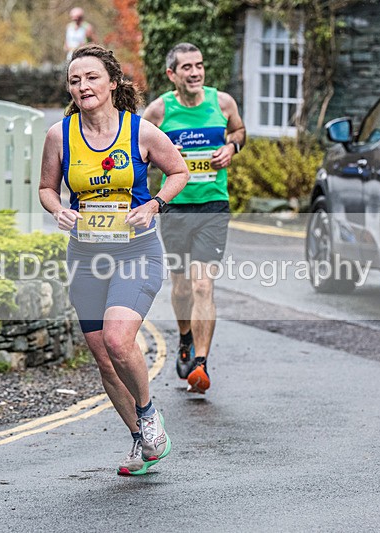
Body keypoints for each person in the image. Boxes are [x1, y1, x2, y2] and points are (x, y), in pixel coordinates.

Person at [39, 44, 189, 476]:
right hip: (86, 256)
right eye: (74, 80)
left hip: (136, 252)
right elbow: (47, 188)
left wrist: (155, 204)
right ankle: (140, 442)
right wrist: (57, 209)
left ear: (112, 83)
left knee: (119, 341)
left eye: (91, 77)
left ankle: (148, 414)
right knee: (103, 355)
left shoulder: (140, 132)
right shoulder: (59, 135)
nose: (82, 86)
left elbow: (178, 171)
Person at [143, 42, 246, 394]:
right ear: (172, 74)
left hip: (213, 205)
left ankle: (200, 364)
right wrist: (166, 158)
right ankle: (185, 336)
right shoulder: (158, 111)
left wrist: (231, 148)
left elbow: (239, 132)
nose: (196, 72)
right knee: (183, 286)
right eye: (187, 67)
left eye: (199, 65)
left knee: (203, 284)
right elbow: (137, 151)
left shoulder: (222, 102)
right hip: (176, 208)